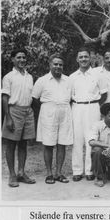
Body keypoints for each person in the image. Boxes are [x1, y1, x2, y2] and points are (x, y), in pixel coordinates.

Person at [32, 54, 73, 184]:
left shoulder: (68, 80)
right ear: (50, 65)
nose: (58, 67)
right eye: (55, 64)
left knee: (62, 144)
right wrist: (47, 109)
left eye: (60, 65)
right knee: (48, 144)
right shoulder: (42, 80)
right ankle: (49, 173)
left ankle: (59, 173)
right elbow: (34, 98)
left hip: (65, 112)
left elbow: (71, 98)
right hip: (48, 113)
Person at [69, 47, 108, 182]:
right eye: (81, 57)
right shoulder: (72, 77)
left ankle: (90, 170)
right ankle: (77, 170)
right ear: (77, 59)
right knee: (77, 140)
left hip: (93, 107)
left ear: (90, 58)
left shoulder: (98, 75)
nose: (83, 59)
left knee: (91, 139)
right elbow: (69, 96)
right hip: (77, 108)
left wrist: (96, 104)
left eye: (86, 56)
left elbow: (104, 94)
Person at [2, 48, 36, 187]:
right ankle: (12, 175)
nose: (22, 60)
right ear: (13, 59)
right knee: (11, 144)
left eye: (23, 57)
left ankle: (21, 172)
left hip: (27, 111)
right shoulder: (9, 77)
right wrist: (8, 117)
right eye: (19, 57)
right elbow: (4, 98)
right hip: (14, 111)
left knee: (23, 144)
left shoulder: (29, 77)